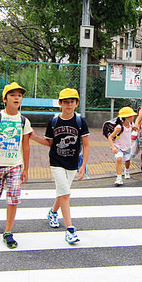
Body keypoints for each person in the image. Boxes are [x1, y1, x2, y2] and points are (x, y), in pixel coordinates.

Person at [30, 88, 90, 243]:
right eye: (65, 102)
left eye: (71, 102)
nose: (68, 105)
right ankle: (70, 229)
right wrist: (34, 137)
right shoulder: (54, 121)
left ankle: (53, 212)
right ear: (60, 103)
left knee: (63, 191)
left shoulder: (79, 121)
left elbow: (86, 145)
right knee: (65, 194)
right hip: (56, 161)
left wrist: (83, 165)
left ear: (76, 103)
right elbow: (49, 142)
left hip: (72, 162)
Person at [0, 82, 33, 249]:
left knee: (13, 199)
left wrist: (26, 168)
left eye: (19, 95)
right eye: (12, 95)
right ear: (5, 99)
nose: (16, 98)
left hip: (15, 165)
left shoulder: (24, 121)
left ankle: (8, 232)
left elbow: (26, 145)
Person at [108, 106, 137, 186]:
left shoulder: (131, 124)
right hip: (118, 146)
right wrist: (113, 147)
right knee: (119, 159)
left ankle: (126, 171)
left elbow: (133, 127)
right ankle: (119, 178)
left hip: (127, 146)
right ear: (126, 117)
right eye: (131, 116)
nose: (133, 117)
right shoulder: (119, 127)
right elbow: (110, 137)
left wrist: (135, 128)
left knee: (127, 161)